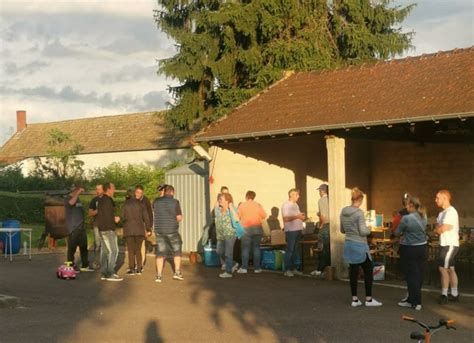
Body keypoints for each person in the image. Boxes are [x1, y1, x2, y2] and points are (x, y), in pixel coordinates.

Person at [340, 188, 382, 307]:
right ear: (360, 199)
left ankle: (354, 299)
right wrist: (369, 228)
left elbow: (342, 229)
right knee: (368, 271)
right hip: (360, 245)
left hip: (349, 244)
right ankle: (368, 299)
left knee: (353, 271)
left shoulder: (343, 211)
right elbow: (363, 232)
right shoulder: (359, 213)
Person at [395, 196, 428, 311]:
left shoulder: (406, 218)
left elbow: (397, 232)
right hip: (423, 247)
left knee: (411, 276)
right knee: (419, 275)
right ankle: (412, 300)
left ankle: (415, 302)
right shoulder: (424, 216)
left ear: (411, 205)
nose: (405, 206)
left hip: (410, 249)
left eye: (407, 204)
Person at [153, 185, 184, 283]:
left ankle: (158, 275)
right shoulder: (175, 202)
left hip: (159, 231)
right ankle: (177, 273)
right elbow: (179, 217)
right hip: (172, 230)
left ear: (164, 191)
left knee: (160, 253)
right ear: (172, 192)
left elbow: (155, 211)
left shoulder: (156, 202)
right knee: (177, 251)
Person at [435, 190, 460, 304]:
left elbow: (444, 228)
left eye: (437, 198)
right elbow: (438, 228)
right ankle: (454, 294)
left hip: (449, 244)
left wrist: (438, 229)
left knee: (442, 268)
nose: (436, 200)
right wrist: (438, 229)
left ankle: (444, 294)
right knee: (450, 269)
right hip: (444, 243)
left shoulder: (451, 212)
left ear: (445, 198)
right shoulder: (441, 213)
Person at [122, 188, 152, 275]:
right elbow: (146, 217)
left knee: (131, 250)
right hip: (139, 230)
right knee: (138, 249)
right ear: (135, 194)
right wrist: (148, 229)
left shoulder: (125, 204)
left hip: (129, 230)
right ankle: (139, 268)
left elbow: (123, 216)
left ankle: (131, 268)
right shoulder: (141, 204)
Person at [65, 185, 94, 272]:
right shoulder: (67, 198)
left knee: (84, 247)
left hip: (81, 228)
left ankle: (85, 265)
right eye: (76, 191)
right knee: (72, 248)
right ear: (73, 191)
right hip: (73, 228)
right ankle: (70, 266)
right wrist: (77, 193)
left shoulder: (78, 199)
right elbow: (70, 203)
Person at [236, 191, 267, 274]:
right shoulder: (258, 205)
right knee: (256, 248)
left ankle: (244, 268)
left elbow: (237, 217)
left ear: (246, 197)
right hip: (257, 229)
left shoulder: (242, 205)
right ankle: (257, 268)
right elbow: (264, 215)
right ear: (254, 197)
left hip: (246, 229)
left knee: (245, 249)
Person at [97, 182, 122, 281]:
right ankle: (110, 272)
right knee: (114, 250)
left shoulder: (101, 200)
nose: (114, 190)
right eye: (113, 188)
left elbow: (102, 214)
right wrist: (114, 219)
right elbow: (108, 215)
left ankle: (103, 272)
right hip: (108, 229)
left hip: (101, 228)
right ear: (109, 189)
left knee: (105, 251)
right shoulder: (108, 200)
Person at [281, 188, 305, 277]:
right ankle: (287, 270)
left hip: (298, 230)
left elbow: (297, 216)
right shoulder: (286, 205)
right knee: (290, 250)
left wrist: (301, 217)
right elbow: (286, 218)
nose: (298, 196)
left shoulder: (296, 205)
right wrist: (297, 216)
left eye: (298, 195)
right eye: (296, 195)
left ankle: (294, 269)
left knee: (295, 250)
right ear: (291, 195)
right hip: (291, 231)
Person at [215, 193, 239, 278]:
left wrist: (231, 206)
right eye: (219, 199)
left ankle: (228, 272)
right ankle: (233, 263)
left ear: (227, 200)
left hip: (230, 233)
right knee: (219, 251)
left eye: (221, 199)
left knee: (228, 253)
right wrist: (218, 203)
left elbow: (237, 219)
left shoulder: (231, 209)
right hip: (221, 235)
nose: (219, 200)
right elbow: (215, 213)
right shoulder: (218, 209)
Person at [311, 184, 330, 276]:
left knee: (322, 248)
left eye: (320, 191)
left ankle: (320, 269)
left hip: (325, 225)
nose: (319, 192)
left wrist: (320, 226)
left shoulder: (322, 200)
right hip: (332, 226)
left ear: (322, 191)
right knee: (329, 248)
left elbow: (323, 215)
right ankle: (329, 269)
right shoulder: (332, 200)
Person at [135, 185, 154, 269]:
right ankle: (134, 263)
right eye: (137, 192)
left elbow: (150, 214)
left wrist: (149, 227)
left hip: (143, 224)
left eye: (140, 193)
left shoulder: (146, 200)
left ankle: (140, 264)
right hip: (133, 224)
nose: (138, 194)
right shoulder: (131, 199)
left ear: (142, 193)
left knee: (141, 244)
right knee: (134, 245)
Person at [88, 184, 103, 269]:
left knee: (106, 245)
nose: (97, 191)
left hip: (106, 225)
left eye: (99, 189)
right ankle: (96, 262)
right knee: (98, 244)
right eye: (96, 189)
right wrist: (98, 210)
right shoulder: (94, 200)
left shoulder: (107, 199)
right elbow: (90, 213)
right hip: (97, 225)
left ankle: (106, 263)